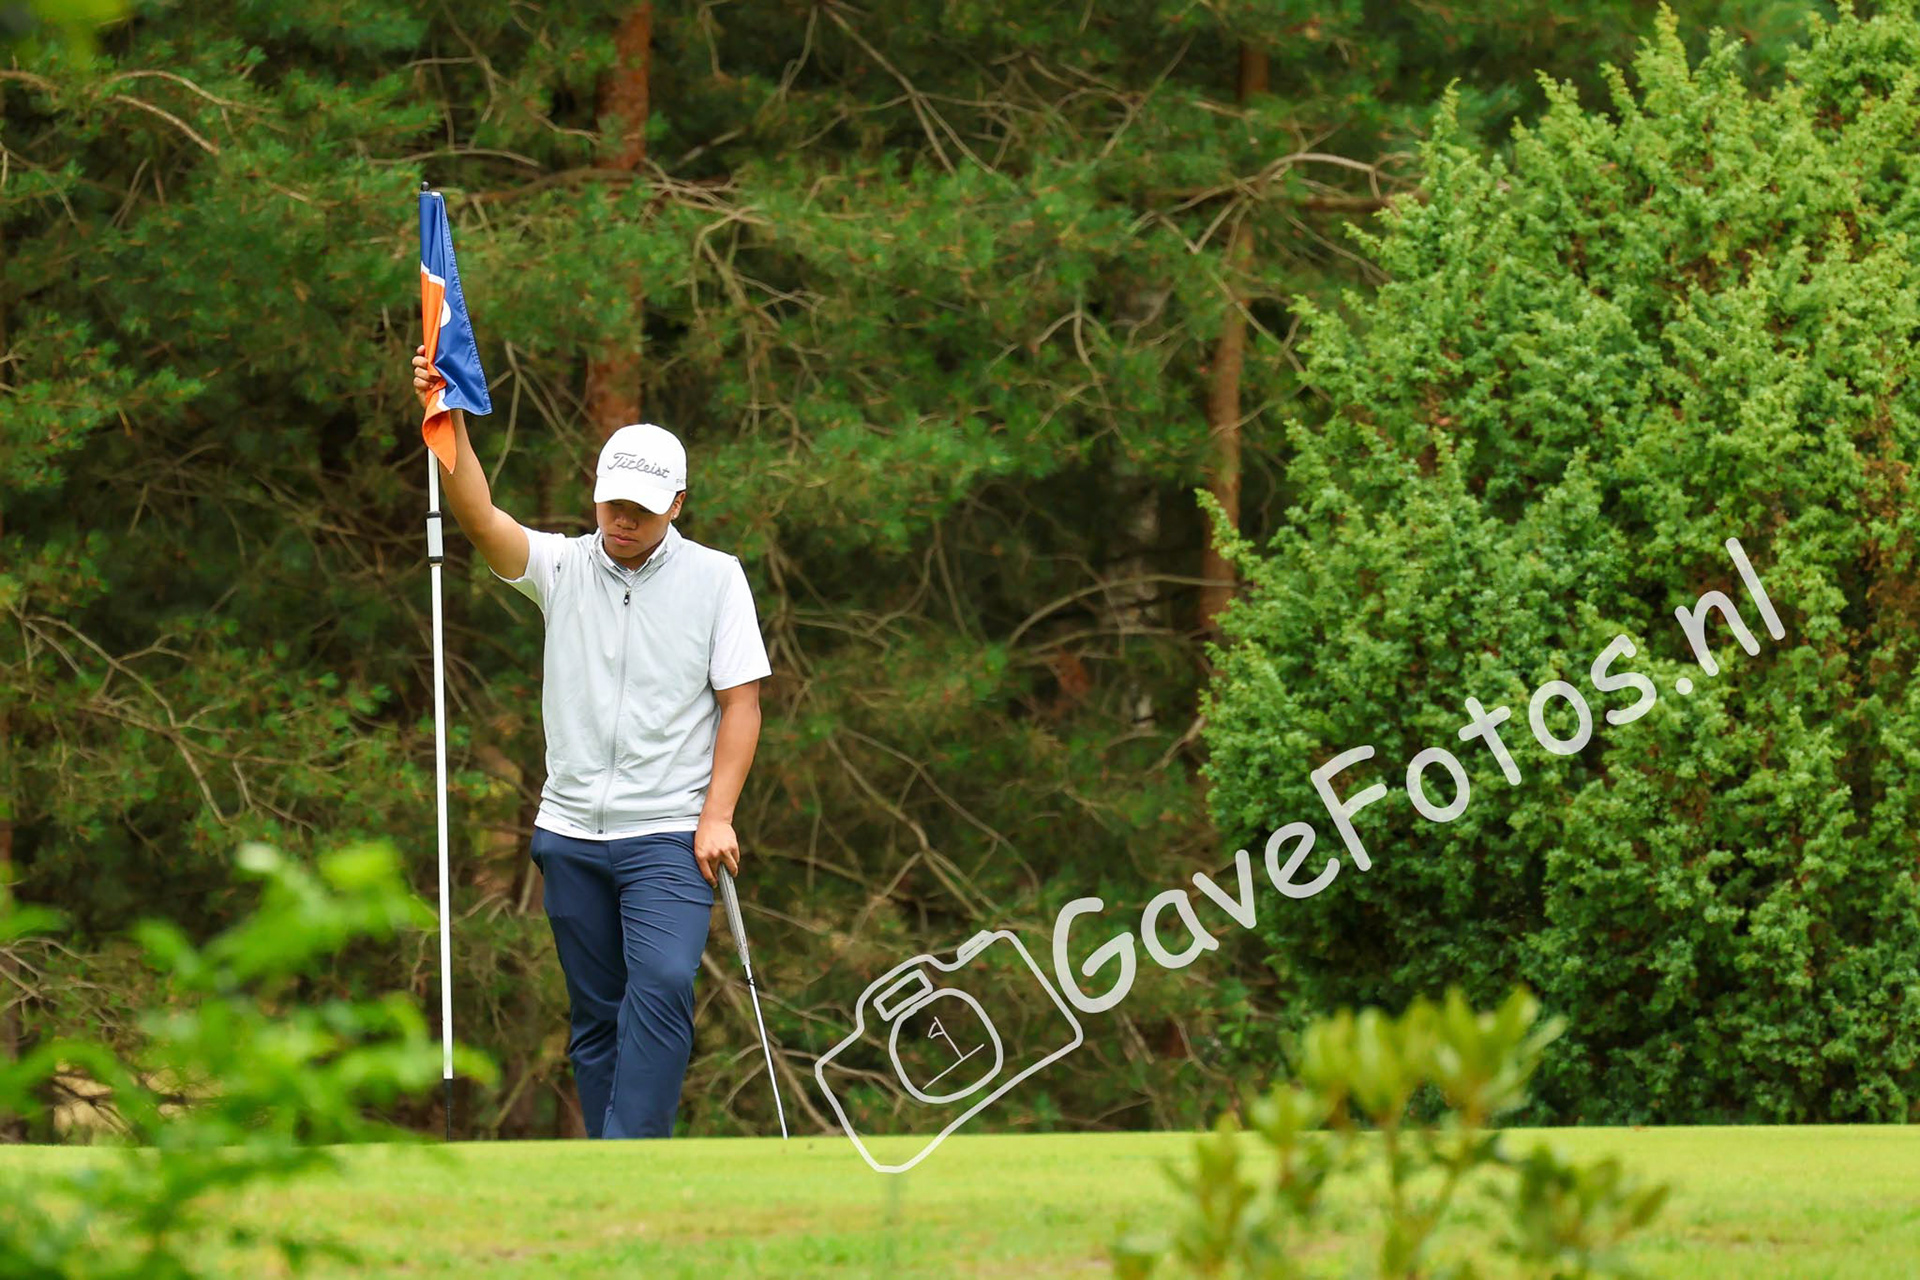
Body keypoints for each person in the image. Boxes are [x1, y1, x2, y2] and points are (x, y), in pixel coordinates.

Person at [411, 347, 771, 1139]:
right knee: (597, 1013)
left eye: (641, 506)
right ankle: (609, 1168)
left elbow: (740, 704)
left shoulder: (716, 579)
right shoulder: (564, 567)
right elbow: (483, 520)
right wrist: (451, 422)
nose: (623, 518)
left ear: (677, 503)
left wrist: (718, 815)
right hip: (570, 833)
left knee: (666, 982)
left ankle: (630, 1152)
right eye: (612, 501)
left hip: (669, 833)